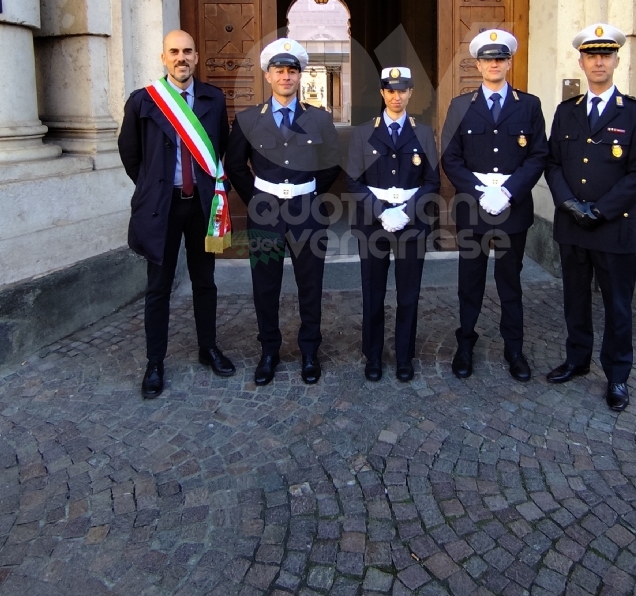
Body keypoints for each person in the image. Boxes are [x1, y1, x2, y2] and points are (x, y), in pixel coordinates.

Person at [544, 23, 636, 411]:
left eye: (605, 55)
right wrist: (569, 204)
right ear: (581, 61)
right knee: (574, 299)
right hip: (572, 225)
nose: (598, 62)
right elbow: (553, 163)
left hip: (613, 227)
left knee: (618, 305)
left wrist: (601, 209)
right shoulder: (566, 111)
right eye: (591, 56)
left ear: (616, 61)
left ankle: (617, 375)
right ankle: (577, 359)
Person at [118, 30, 237, 399]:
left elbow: (222, 149)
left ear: (197, 57)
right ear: (163, 57)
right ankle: (155, 361)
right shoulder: (143, 101)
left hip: (201, 206)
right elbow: (130, 154)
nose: (181, 57)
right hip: (163, 208)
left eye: (187, 51)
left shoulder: (213, 99)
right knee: (158, 286)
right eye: (174, 51)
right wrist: (154, 187)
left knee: (205, 282)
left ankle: (208, 347)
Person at [226, 38, 342, 386]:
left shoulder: (318, 119)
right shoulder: (248, 119)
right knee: (265, 286)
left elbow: (332, 162)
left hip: (307, 211)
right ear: (268, 75)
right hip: (266, 212)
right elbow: (235, 165)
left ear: (300, 76)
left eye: (292, 71)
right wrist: (259, 198)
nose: (286, 77)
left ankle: (309, 350)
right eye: (280, 70)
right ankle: (269, 351)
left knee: (310, 284)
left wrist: (308, 191)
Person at [441, 29, 548, 381]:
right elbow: (451, 157)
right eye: (488, 59)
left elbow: (538, 155)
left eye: (500, 59)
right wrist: (478, 189)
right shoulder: (460, 106)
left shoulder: (528, 105)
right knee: (469, 282)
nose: (494, 64)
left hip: (512, 211)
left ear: (508, 62)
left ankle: (513, 348)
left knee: (509, 283)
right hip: (473, 211)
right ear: (478, 64)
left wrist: (509, 191)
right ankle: (465, 345)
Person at [345, 67, 441, 382]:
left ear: (411, 93)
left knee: (408, 294)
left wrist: (406, 211)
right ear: (382, 93)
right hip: (374, 225)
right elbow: (353, 181)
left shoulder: (424, 132)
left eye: (402, 90)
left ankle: (404, 356)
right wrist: (381, 211)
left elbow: (431, 181)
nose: (396, 96)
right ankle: (372, 356)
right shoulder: (363, 132)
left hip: (410, 224)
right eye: (390, 90)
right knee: (373, 292)